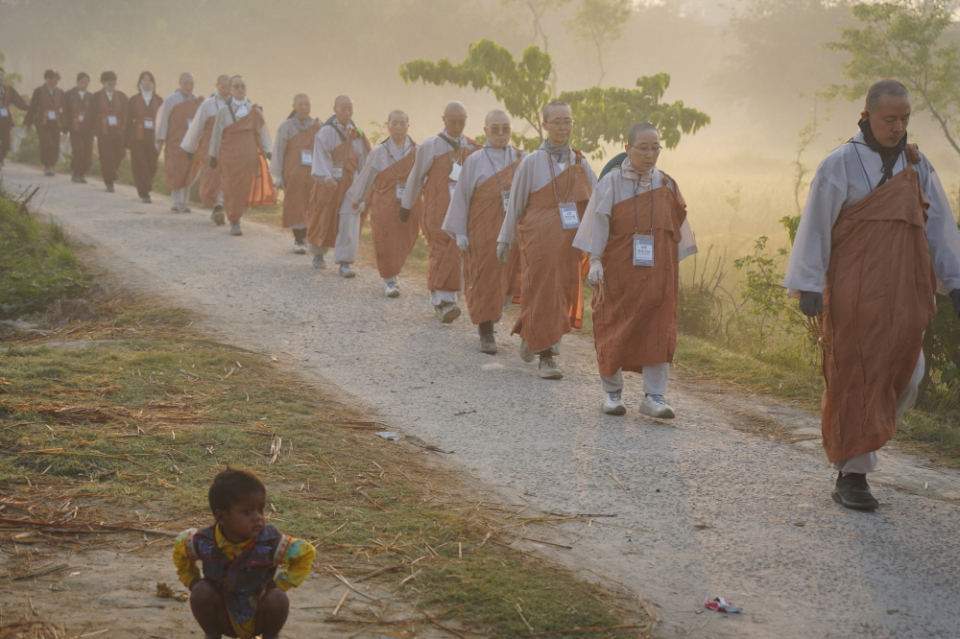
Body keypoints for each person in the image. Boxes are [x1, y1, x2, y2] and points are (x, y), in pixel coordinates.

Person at [784, 80, 960, 511]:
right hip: (853, 290)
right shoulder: (840, 163)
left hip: (906, 292)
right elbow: (817, 226)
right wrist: (808, 283)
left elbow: (939, 230)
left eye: (904, 120)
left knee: (909, 373)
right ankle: (853, 473)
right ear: (865, 117)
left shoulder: (918, 166)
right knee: (856, 377)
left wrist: (955, 283)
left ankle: (859, 451)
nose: (898, 128)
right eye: (889, 119)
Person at [574, 123, 698, 417]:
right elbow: (598, 224)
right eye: (643, 147)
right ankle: (612, 392)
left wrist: (669, 270)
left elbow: (677, 231)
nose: (650, 153)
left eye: (655, 147)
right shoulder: (611, 183)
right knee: (614, 326)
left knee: (658, 329)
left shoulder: (666, 184)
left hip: (658, 273)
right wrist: (594, 261)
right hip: (619, 273)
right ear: (627, 148)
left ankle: (654, 396)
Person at [497, 101, 596, 379]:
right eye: (557, 121)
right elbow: (516, 204)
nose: (563, 127)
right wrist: (505, 240)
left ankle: (533, 333)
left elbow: (598, 199)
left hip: (569, 242)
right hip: (538, 238)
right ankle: (547, 357)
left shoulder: (580, 162)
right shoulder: (531, 162)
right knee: (542, 290)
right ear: (545, 125)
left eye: (568, 121)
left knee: (560, 293)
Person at [173, 468, 315, 639]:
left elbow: (306, 553)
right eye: (247, 512)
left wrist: (281, 583)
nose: (258, 518)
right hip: (223, 615)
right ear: (222, 517)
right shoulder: (204, 541)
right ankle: (212, 635)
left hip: (257, 613)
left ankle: (271, 636)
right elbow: (181, 548)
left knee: (278, 599)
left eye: (261, 509)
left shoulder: (270, 542)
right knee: (201, 591)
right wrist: (191, 580)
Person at [442, 110, 526, 353]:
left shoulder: (523, 159)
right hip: (481, 232)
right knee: (483, 279)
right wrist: (460, 234)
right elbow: (461, 198)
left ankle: (493, 314)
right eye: (495, 128)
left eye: (506, 129)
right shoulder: (475, 161)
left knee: (507, 279)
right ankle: (486, 331)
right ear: (485, 131)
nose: (501, 134)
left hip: (512, 232)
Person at [399, 101, 479, 322]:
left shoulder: (473, 148)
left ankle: (449, 300)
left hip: (462, 212)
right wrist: (407, 204)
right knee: (440, 251)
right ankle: (444, 302)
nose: (457, 126)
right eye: (452, 121)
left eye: (461, 122)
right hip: (436, 210)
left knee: (457, 254)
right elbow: (416, 177)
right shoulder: (431, 145)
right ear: (443, 120)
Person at [339, 110, 422, 296]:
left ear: (408, 126)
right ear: (388, 126)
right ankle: (390, 280)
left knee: (406, 239)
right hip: (384, 202)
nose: (398, 128)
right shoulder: (378, 152)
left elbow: (425, 178)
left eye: (402, 124)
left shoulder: (418, 151)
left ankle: (395, 272)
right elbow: (367, 176)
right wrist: (358, 199)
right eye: (394, 123)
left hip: (410, 205)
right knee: (385, 240)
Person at [306, 95, 371, 276]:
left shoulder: (356, 134)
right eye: (343, 109)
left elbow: (363, 160)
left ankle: (345, 262)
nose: (347, 112)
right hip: (328, 184)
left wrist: (362, 184)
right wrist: (326, 177)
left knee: (350, 219)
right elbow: (320, 156)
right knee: (323, 217)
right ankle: (318, 254)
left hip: (350, 185)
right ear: (334, 109)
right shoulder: (325, 132)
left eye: (350, 109)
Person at [208, 75, 275, 236]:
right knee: (231, 189)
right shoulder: (224, 110)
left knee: (244, 188)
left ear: (246, 89)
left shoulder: (254, 111)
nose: (239, 89)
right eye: (236, 86)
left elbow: (263, 133)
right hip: (230, 157)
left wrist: (269, 151)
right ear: (230, 89)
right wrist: (213, 154)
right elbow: (217, 133)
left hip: (248, 158)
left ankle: (237, 214)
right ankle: (234, 220)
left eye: (242, 86)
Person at [270, 93, 319, 254]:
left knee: (312, 205)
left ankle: (307, 236)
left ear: (311, 105)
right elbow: (278, 150)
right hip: (293, 173)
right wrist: (278, 175)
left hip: (313, 175)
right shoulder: (286, 126)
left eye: (307, 104)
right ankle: (298, 240)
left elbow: (326, 151)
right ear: (294, 107)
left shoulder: (319, 126)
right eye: (300, 105)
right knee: (295, 205)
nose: (304, 108)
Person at [181, 75, 231, 224]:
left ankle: (219, 206)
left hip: (229, 143)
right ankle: (217, 204)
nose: (226, 91)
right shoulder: (208, 104)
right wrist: (190, 147)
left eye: (228, 87)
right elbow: (197, 125)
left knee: (226, 172)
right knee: (212, 172)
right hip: (209, 144)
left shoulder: (236, 104)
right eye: (223, 87)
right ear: (217, 86)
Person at [158, 72, 201, 212]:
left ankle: (185, 202)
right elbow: (162, 120)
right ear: (179, 83)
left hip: (192, 143)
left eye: (191, 84)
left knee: (189, 171)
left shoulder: (198, 101)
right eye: (185, 84)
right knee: (176, 170)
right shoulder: (171, 100)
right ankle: (176, 202)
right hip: (175, 141)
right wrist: (160, 139)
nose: (188, 87)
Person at [85, 71, 128, 193]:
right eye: (109, 82)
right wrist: (88, 130)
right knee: (107, 157)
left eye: (113, 82)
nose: (111, 84)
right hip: (103, 132)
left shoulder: (122, 96)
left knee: (119, 156)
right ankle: (109, 181)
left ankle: (112, 174)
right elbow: (90, 115)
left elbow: (127, 113)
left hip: (118, 131)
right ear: (103, 83)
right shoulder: (96, 97)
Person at [124, 71, 163, 203]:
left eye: (149, 80)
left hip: (153, 138)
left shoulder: (159, 100)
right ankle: (144, 192)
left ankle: (146, 186)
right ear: (140, 82)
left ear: (153, 83)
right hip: (137, 136)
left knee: (152, 165)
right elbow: (128, 120)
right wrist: (126, 140)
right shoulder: (133, 100)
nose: (147, 83)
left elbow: (163, 121)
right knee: (139, 163)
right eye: (144, 80)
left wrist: (163, 137)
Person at [23, 69, 64, 176]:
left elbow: (66, 109)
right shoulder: (39, 91)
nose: (54, 83)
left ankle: (51, 164)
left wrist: (66, 125)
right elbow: (33, 108)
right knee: (47, 142)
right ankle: (47, 166)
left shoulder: (60, 92)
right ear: (47, 79)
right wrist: (28, 123)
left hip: (56, 122)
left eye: (56, 81)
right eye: (52, 81)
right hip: (42, 122)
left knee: (55, 143)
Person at [61, 72, 93, 183]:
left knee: (88, 154)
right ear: (77, 82)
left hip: (88, 130)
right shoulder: (69, 94)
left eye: (86, 83)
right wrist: (65, 126)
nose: (84, 85)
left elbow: (95, 114)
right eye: (82, 82)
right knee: (78, 151)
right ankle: (75, 172)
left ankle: (82, 173)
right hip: (75, 128)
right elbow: (65, 111)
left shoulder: (91, 97)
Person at [0, 67, 30, 168]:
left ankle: (1, 158)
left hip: (5, 120)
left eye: (2, 75)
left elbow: (19, 101)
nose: (0, 77)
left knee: (7, 143)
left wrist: (30, 108)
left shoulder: (8, 89)